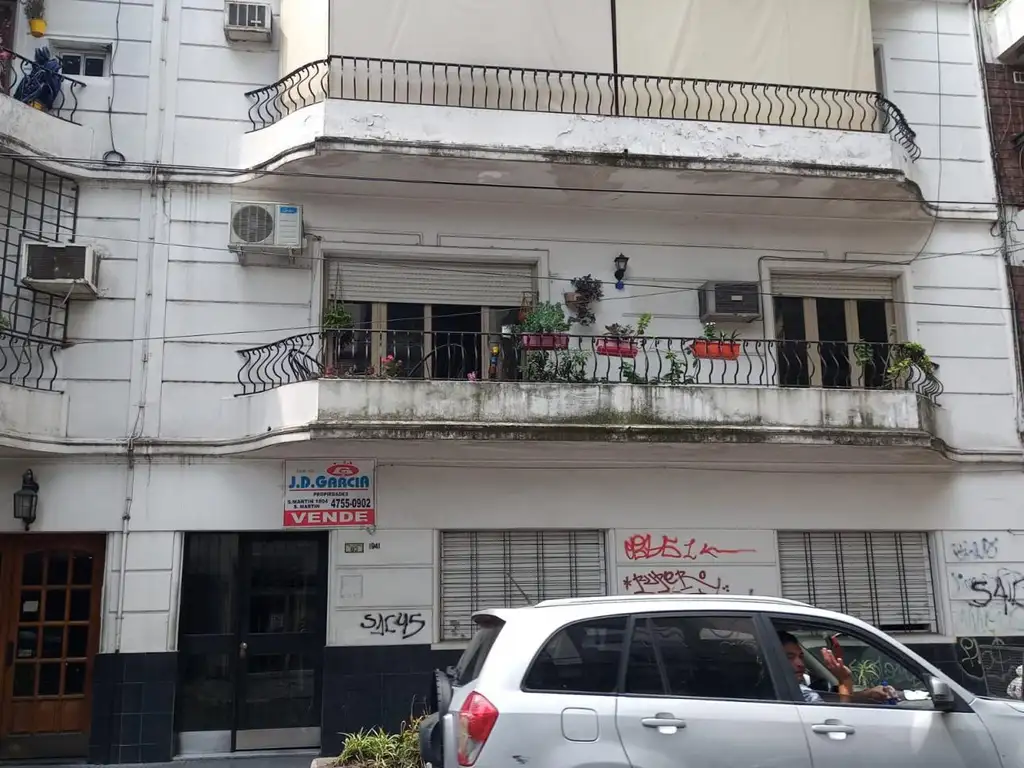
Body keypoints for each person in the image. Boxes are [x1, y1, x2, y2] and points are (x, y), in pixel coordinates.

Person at [778, 631, 899, 705]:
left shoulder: (784, 690)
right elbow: (837, 720)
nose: (800, 663)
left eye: (800, 656)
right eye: (789, 657)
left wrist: (867, 695)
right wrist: (845, 679)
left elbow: (834, 700)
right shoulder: (802, 694)